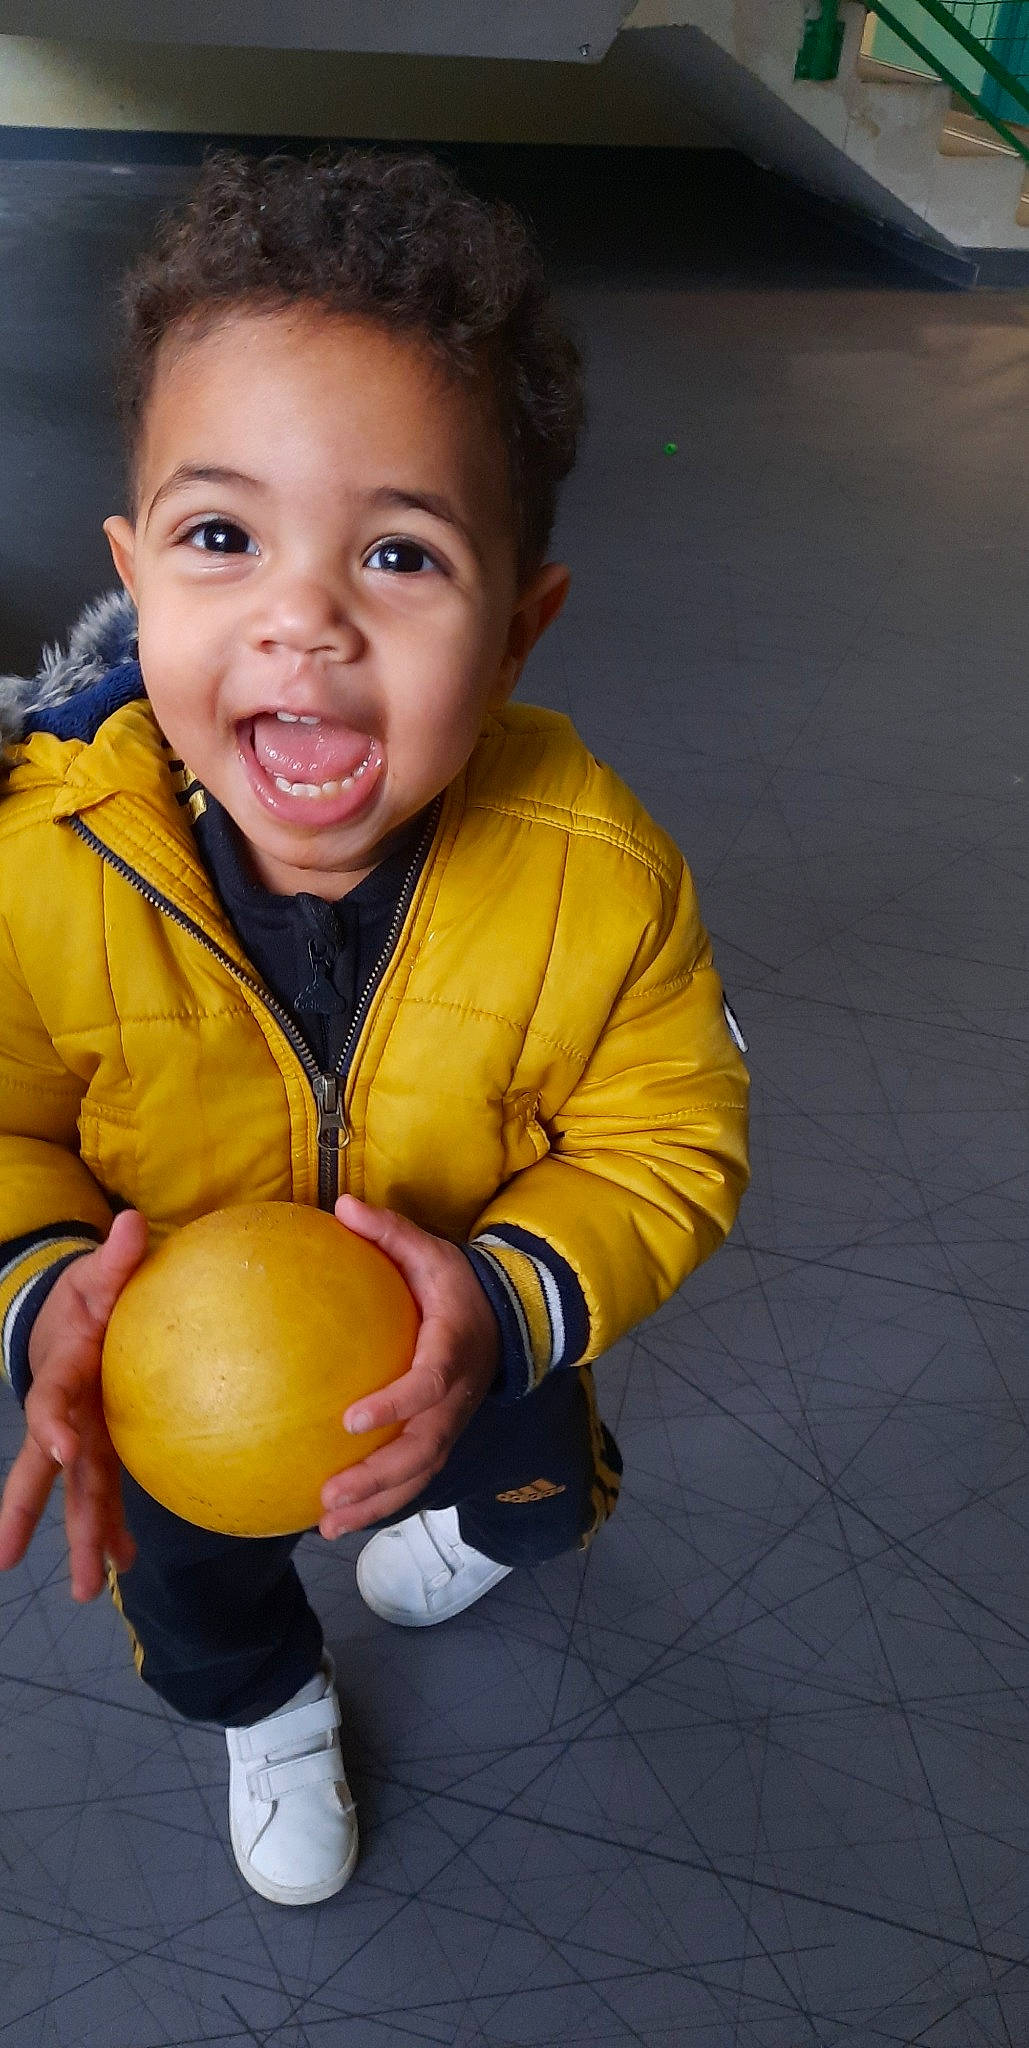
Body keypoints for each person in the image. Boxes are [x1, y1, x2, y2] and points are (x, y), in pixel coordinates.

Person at [0, 150, 749, 1907]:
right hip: (173, 1394)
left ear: (513, 635)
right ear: (135, 564)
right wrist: (45, 1297)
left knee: (532, 1504)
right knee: (197, 1590)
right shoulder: (39, 872)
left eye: (398, 553)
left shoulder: (597, 875)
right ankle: (268, 1712)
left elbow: (667, 1136)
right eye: (220, 536)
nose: (300, 616)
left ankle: (483, 1512)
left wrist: (500, 1306)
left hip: (476, 1342)